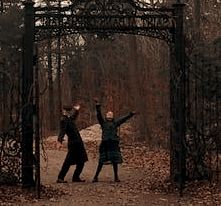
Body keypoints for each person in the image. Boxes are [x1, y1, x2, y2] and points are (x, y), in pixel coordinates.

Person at [92, 100, 136, 182]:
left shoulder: (115, 123)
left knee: (114, 161)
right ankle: (95, 177)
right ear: (106, 116)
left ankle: (116, 177)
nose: (109, 115)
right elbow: (99, 115)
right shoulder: (103, 123)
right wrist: (98, 106)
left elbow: (123, 119)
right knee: (101, 161)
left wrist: (130, 114)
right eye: (108, 114)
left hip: (113, 144)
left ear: (112, 116)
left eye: (110, 114)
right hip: (105, 143)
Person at [56, 104, 88, 183]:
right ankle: (60, 178)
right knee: (68, 162)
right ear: (64, 111)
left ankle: (76, 177)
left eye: (69, 111)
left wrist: (77, 110)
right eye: (67, 111)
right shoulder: (63, 120)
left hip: (78, 143)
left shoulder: (69, 118)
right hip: (73, 144)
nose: (68, 113)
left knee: (82, 160)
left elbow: (74, 117)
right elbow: (62, 131)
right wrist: (59, 141)